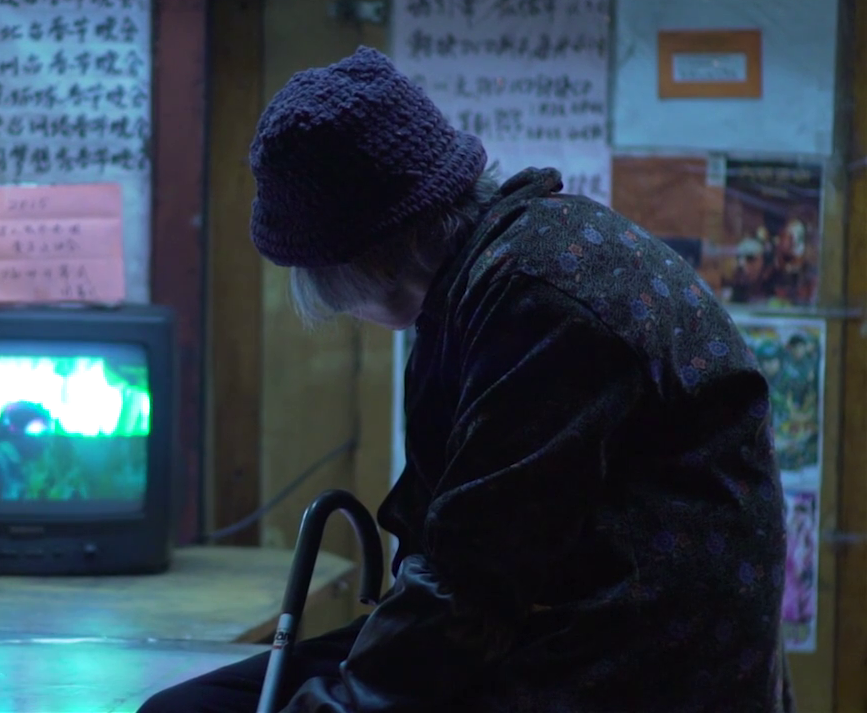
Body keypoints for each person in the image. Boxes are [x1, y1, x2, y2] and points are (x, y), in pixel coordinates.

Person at [140, 47, 793, 713]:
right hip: (555, 620)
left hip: (631, 659)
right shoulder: (501, 267)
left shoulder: (538, 295)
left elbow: (472, 580)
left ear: (368, 260)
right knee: (188, 710)